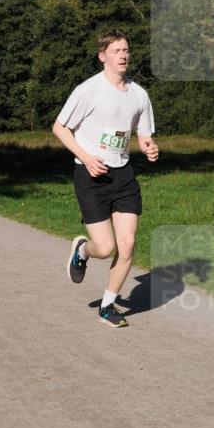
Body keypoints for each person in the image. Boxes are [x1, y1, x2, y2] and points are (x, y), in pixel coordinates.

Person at [52, 31, 159, 328]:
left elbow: (143, 133)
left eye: (126, 50)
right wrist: (86, 158)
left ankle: (108, 305)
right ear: (103, 56)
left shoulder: (139, 94)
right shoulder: (88, 90)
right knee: (105, 248)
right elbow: (60, 128)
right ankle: (83, 250)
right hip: (91, 175)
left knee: (127, 245)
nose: (123, 55)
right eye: (116, 51)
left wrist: (149, 146)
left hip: (123, 174)